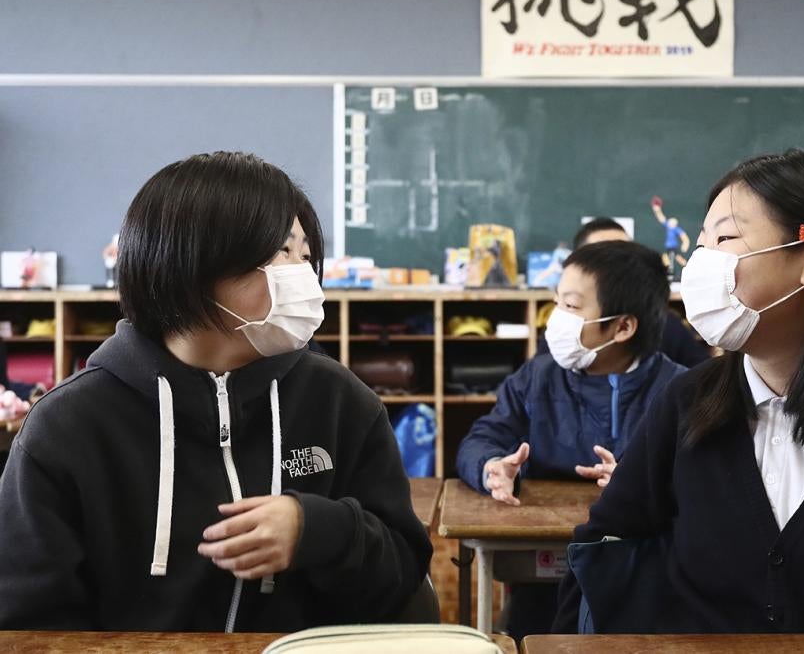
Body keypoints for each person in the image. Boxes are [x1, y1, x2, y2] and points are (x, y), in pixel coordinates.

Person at [0, 152, 432, 631]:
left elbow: (404, 574)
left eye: (306, 256)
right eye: (281, 253)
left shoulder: (340, 402)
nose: (302, 276)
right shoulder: (68, 427)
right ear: (193, 266)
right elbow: (28, 623)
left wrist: (321, 532)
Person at [554, 149, 804, 634]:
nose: (701, 264)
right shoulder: (685, 403)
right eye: (702, 244)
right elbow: (600, 549)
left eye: (726, 239)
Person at [456, 240, 686, 639]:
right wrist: (492, 466)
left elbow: (704, 476)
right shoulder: (538, 377)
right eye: (558, 302)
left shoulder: (679, 390)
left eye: (573, 307)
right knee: (534, 632)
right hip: (542, 568)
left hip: (647, 572)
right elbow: (483, 436)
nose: (556, 319)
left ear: (623, 326)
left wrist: (643, 483)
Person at [558, 217, 709, 368]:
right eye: (601, 258)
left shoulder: (668, 327)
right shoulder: (564, 331)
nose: (617, 267)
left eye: (625, 256)